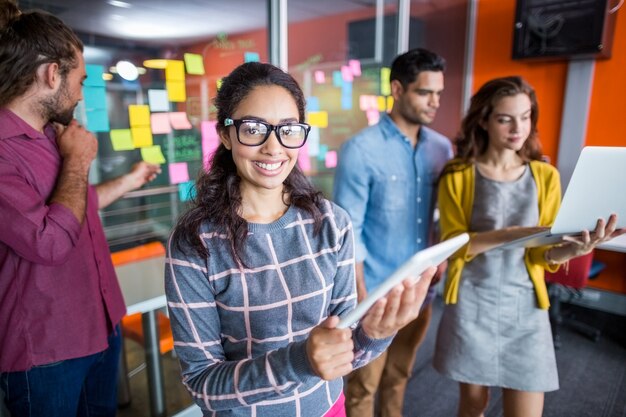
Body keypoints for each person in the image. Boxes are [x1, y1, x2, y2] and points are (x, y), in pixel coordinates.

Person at [164, 61, 436, 417]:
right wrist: (299, 361)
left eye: (288, 130)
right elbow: (202, 384)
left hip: (329, 409)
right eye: (253, 128)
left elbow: (344, 353)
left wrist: (376, 333)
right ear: (226, 135)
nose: (274, 147)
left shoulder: (331, 223)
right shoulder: (194, 245)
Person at [0, 2, 161, 416]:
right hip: (46, 350)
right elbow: (49, 241)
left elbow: (73, 210)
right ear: (52, 74)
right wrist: (78, 161)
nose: (79, 91)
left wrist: (127, 180)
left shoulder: (55, 137)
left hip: (100, 326)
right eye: (80, 79)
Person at [433, 76, 625, 417]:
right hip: (473, 301)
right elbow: (453, 245)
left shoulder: (544, 175)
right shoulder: (458, 174)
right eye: (505, 118)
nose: (517, 127)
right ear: (484, 120)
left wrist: (575, 249)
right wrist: (517, 232)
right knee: (473, 407)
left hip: (525, 305)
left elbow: (544, 253)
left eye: (525, 116)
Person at [333, 48, 453, 417]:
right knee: (364, 385)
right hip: (377, 292)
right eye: (424, 93)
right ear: (398, 90)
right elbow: (348, 231)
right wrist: (361, 296)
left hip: (422, 289)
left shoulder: (442, 148)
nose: (434, 102)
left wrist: (442, 259)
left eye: (438, 93)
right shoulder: (360, 150)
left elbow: (441, 214)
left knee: (401, 373)